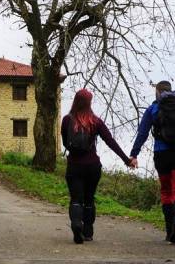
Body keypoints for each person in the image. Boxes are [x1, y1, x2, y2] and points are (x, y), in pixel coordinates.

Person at [129, 80, 175, 244]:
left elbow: (142, 133)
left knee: (166, 191)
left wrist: (134, 154)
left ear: (158, 92)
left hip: (162, 154)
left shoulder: (153, 108)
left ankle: (169, 231)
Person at [61, 88, 133, 244]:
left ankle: (76, 224)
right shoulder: (96, 121)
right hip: (93, 167)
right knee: (89, 199)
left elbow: (65, 142)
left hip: (74, 166)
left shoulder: (67, 120)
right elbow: (110, 141)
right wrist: (126, 160)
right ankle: (87, 231)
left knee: (76, 199)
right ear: (89, 103)